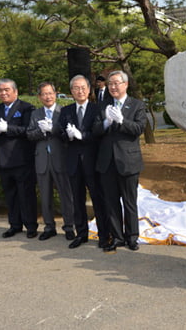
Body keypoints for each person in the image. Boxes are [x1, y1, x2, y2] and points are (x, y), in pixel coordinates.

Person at [93, 71, 147, 253]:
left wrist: (122, 121)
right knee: (111, 202)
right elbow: (95, 130)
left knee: (129, 201)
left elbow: (139, 128)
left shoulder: (137, 105)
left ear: (125, 85)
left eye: (117, 83)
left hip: (128, 160)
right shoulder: (102, 105)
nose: (113, 87)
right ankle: (117, 237)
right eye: (110, 84)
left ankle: (132, 237)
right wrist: (107, 123)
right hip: (107, 161)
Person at [0, 79, 38, 238]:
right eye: (0, 90)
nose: (3, 93)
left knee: (26, 194)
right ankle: (15, 225)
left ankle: (31, 226)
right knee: (10, 195)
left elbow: (28, 130)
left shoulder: (26, 108)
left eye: (6, 90)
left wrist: (8, 128)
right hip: (2, 159)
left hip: (22, 159)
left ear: (15, 91)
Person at [58, 75, 109, 249]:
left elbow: (98, 132)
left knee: (98, 199)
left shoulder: (97, 109)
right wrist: (68, 135)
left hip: (92, 161)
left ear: (88, 90)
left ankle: (104, 235)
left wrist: (83, 136)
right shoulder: (66, 111)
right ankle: (81, 234)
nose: (80, 91)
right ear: (71, 91)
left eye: (83, 88)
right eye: (76, 88)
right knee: (77, 200)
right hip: (73, 161)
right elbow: (60, 132)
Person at [27, 82, 75, 241]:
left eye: (50, 93)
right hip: (42, 159)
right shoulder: (36, 114)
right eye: (44, 94)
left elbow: (68, 136)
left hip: (60, 158)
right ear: (39, 97)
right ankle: (49, 226)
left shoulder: (64, 111)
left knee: (65, 195)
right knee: (45, 196)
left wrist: (53, 129)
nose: (48, 96)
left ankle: (69, 226)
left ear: (55, 94)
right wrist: (41, 131)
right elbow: (29, 135)